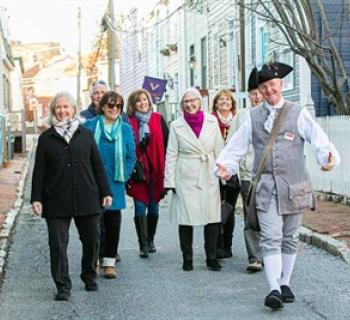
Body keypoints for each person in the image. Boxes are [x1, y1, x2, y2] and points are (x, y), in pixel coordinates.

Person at [215, 62, 340, 309]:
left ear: (281, 85)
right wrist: (225, 166)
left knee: (290, 237)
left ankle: (285, 282)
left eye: (273, 85)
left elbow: (318, 140)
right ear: (259, 91)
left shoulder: (298, 113)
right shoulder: (253, 117)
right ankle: (273, 288)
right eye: (264, 87)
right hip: (265, 188)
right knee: (270, 237)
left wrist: (328, 158)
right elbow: (236, 146)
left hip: (294, 186)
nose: (269, 90)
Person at [31, 91, 112, 301]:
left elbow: (97, 166)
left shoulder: (85, 135)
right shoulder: (46, 138)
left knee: (92, 240)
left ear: (74, 109)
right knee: (58, 245)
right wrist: (36, 198)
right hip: (56, 199)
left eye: (66, 106)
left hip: (87, 196)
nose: (62, 110)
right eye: (58, 107)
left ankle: (89, 276)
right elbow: (39, 171)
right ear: (53, 111)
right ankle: (62, 286)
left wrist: (106, 192)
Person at [164, 87, 224, 272]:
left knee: (212, 217)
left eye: (193, 100)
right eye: (186, 101)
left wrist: (223, 172)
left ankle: (211, 257)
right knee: (186, 217)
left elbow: (219, 149)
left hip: (208, 172)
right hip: (186, 174)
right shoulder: (176, 125)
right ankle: (187, 258)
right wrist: (170, 181)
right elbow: (171, 153)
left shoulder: (213, 121)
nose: (190, 104)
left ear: (200, 102)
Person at [84, 91, 136, 279]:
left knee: (113, 223)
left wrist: (124, 175)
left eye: (118, 106)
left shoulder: (125, 129)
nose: (114, 109)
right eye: (111, 105)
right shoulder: (89, 127)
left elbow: (131, 157)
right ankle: (94, 260)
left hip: (115, 182)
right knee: (93, 224)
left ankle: (109, 263)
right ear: (103, 106)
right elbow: (84, 154)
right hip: (93, 183)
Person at [126, 89, 168, 258]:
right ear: (133, 104)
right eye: (138, 101)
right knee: (139, 208)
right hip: (138, 172)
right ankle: (142, 244)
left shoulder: (158, 119)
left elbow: (167, 144)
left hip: (157, 171)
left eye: (145, 99)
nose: (142, 103)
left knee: (154, 210)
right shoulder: (128, 122)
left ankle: (150, 239)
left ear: (149, 101)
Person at [233, 68, 264, 272]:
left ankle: (271, 253)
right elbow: (232, 145)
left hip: (271, 173)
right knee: (251, 216)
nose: (256, 97)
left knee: (271, 216)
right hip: (248, 174)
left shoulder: (277, 114)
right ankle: (255, 256)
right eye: (253, 93)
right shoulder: (242, 116)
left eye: (259, 92)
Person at [211, 89, 241, 259]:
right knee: (215, 209)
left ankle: (227, 246)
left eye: (228, 99)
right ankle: (215, 244)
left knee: (228, 208)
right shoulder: (211, 121)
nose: (224, 102)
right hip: (214, 171)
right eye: (221, 99)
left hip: (233, 172)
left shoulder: (237, 121)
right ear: (215, 103)